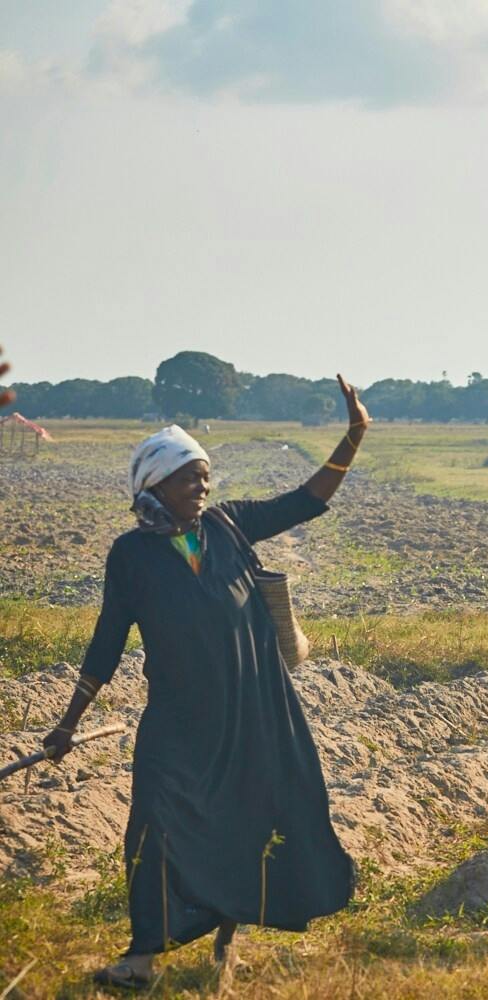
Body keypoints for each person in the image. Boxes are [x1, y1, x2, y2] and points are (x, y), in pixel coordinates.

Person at [43, 376, 370, 990]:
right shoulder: (131, 556)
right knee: (154, 825)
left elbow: (306, 499)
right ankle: (142, 957)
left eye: (206, 474)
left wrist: (353, 437)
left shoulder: (229, 526)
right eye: (192, 475)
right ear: (155, 484)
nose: (204, 484)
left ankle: (228, 934)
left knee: (251, 816)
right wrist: (68, 722)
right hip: (178, 720)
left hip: (253, 711)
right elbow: (107, 640)